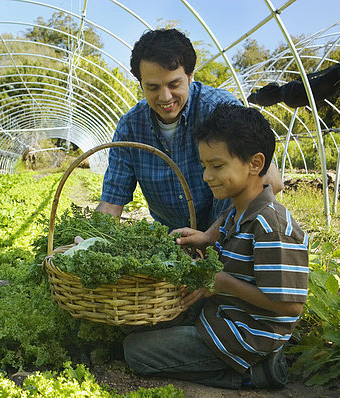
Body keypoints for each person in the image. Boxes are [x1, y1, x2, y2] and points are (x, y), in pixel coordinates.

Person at [122, 104, 309, 389]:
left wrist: (222, 282)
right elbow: (223, 227)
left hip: (245, 335)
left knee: (135, 351)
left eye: (217, 166)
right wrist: (207, 237)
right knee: (131, 322)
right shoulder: (239, 211)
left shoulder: (273, 227)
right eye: (204, 166)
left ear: (255, 164)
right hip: (221, 313)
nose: (207, 176)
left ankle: (254, 374)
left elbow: (290, 305)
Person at [96, 28, 283, 233]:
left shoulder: (217, 109)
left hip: (229, 237)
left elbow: (270, 180)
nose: (165, 97)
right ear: (141, 84)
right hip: (173, 244)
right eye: (153, 87)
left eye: (174, 84)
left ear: (190, 76)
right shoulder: (131, 127)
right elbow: (112, 202)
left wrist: (211, 236)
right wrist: (90, 239)